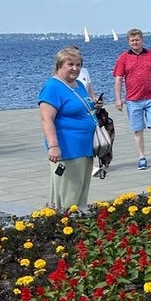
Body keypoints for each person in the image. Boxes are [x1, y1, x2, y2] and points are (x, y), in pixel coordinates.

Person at [38, 46, 96, 212]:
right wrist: (53, 146)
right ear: (59, 66)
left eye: (78, 65)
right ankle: (65, 225)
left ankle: (80, 221)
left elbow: (81, 106)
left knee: (81, 191)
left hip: (85, 146)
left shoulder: (78, 84)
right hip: (67, 148)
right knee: (67, 193)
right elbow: (46, 119)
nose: (75, 68)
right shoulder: (52, 87)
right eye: (70, 64)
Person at [113, 28, 151, 170]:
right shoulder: (123, 58)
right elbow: (118, 79)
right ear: (128, 42)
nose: (135, 42)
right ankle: (141, 156)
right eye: (132, 40)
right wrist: (118, 99)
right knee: (138, 130)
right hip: (133, 99)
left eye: (137, 39)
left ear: (142, 40)